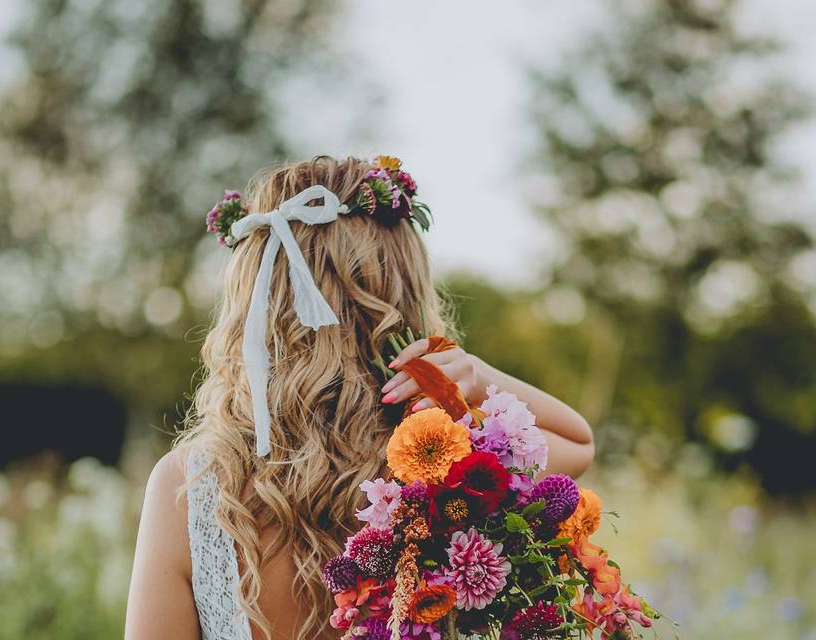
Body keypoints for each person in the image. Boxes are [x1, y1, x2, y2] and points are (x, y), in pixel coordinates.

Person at [124, 156, 595, 640]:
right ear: (403, 294)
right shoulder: (450, 467)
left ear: (251, 301)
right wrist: (473, 375)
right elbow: (578, 442)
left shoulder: (189, 487)